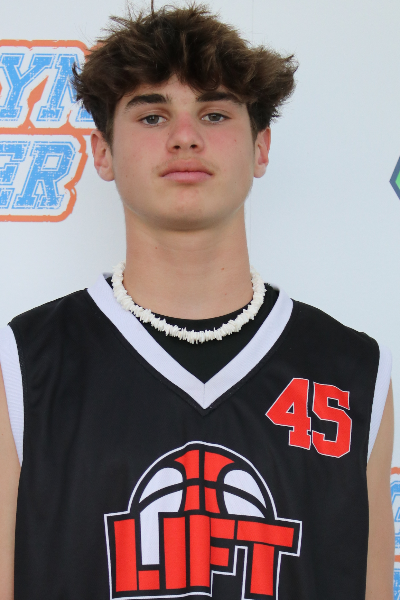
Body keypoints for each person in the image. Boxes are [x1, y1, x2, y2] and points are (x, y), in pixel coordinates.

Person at [0, 3, 394, 599]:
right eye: (152, 115)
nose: (185, 136)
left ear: (261, 148)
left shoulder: (354, 371)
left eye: (213, 113)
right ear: (102, 152)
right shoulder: (23, 365)